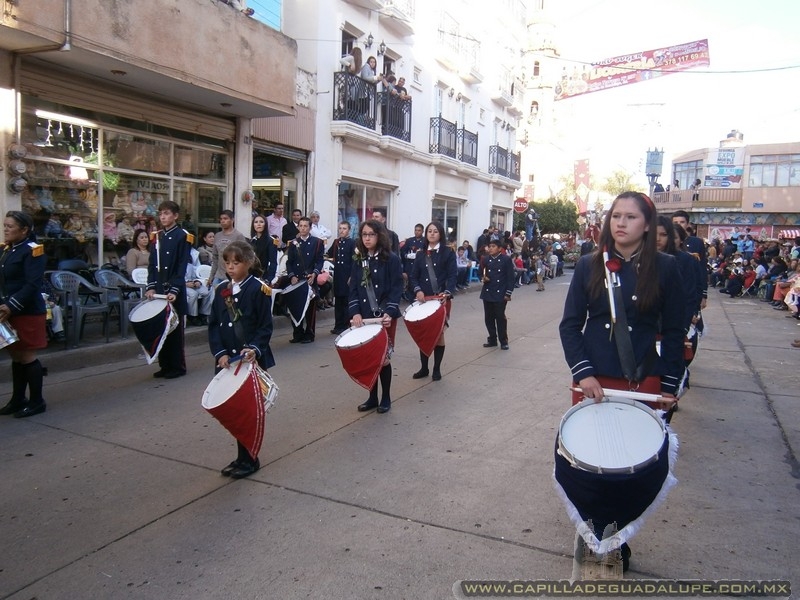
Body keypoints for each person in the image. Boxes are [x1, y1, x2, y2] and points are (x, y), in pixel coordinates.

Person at [559, 192, 685, 572]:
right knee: (590, 464)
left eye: (631, 217)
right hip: (595, 381)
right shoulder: (588, 265)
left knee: (630, 468)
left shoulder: (666, 267)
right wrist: (583, 372)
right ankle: (591, 528)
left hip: (642, 380)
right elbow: (570, 326)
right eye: (616, 216)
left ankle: (620, 536)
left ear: (647, 225)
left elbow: (675, 331)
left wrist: (669, 385)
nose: (621, 223)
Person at [208, 241, 275, 479]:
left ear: (248, 262)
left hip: (250, 360)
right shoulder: (221, 290)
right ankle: (241, 457)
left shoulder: (258, 289)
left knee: (249, 411)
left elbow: (265, 327)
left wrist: (254, 348)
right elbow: (214, 325)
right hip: (229, 361)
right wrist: (220, 353)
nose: (230, 267)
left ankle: (251, 458)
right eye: (227, 262)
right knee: (235, 410)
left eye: (236, 263)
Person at [348, 220, 403, 414]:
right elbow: (354, 289)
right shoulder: (359, 259)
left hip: (385, 317)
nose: (367, 238)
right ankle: (372, 397)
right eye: (364, 234)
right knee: (369, 357)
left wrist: (390, 311)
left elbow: (397, 288)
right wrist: (355, 312)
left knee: (384, 359)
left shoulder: (391, 259)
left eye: (371, 234)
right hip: (365, 317)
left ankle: (386, 397)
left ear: (379, 236)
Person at [0, 211, 48, 418]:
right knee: (16, 355)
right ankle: (18, 399)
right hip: (7, 311)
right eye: (4, 225)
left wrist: (12, 305)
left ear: (24, 230)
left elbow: (32, 284)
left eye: (10, 226)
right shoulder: (6, 250)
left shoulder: (33, 250)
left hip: (26, 310)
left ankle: (37, 401)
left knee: (27, 356)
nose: (5, 229)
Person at [146, 201, 194, 380]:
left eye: (167, 213)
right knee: (161, 329)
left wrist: (175, 289)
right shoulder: (157, 236)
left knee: (174, 330)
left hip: (174, 289)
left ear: (175, 216)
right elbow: (152, 264)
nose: (163, 217)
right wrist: (151, 286)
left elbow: (182, 265)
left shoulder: (183, 236)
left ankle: (178, 366)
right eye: (161, 214)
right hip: (159, 289)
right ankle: (164, 365)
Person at [409, 221, 457, 380]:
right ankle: (424, 368)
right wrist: (418, 290)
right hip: (424, 301)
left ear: (440, 234)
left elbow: (452, 276)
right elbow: (413, 277)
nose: (432, 234)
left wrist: (447, 292)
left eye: (435, 231)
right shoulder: (420, 254)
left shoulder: (448, 253)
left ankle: (436, 369)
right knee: (424, 334)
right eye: (429, 231)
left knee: (439, 335)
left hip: (440, 300)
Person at [286, 216, 324, 343]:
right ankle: (297, 333)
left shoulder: (317, 242)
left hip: (309, 278)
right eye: (300, 226)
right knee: (296, 306)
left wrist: (314, 273)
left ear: (310, 228)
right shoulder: (293, 243)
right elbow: (289, 262)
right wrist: (292, 275)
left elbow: (319, 261)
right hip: (297, 279)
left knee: (310, 309)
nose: (302, 228)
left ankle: (309, 333)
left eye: (305, 226)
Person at [479, 236, 514, 350]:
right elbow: (481, 272)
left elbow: (510, 277)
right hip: (488, 291)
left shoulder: (506, 259)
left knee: (500, 317)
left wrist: (508, 293)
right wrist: (483, 278)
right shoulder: (485, 259)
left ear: (499, 248)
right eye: (489, 246)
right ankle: (492, 339)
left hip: (500, 292)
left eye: (493, 246)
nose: (490, 248)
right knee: (488, 318)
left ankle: (503, 340)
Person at [327, 221, 355, 335]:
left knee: (346, 301)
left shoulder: (353, 243)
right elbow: (329, 254)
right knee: (338, 300)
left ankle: (346, 325)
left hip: (347, 275)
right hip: (338, 275)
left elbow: (355, 261)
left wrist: (352, 276)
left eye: (344, 228)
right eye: (340, 228)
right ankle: (338, 325)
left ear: (349, 230)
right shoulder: (336, 242)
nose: (341, 231)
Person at [209, 210, 247, 287]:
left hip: (233, 277)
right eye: (221, 219)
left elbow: (244, 258)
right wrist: (211, 276)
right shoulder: (217, 236)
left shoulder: (238, 236)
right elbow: (215, 258)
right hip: (218, 275)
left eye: (225, 218)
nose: (223, 221)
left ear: (232, 220)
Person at [250, 214, 278, 283]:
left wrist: (269, 279)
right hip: (252, 275)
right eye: (256, 222)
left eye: (261, 222)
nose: (258, 224)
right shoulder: (252, 241)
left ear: (265, 224)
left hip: (264, 276)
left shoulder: (271, 241)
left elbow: (273, 262)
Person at [402, 224, 425, 300]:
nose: (417, 232)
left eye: (419, 230)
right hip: (410, 266)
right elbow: (402, 252)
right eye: (416, 230)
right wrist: (407, 255)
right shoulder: (409, 241)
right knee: (410, 285)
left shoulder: (425, 241)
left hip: (421, 267)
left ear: (422, 231)